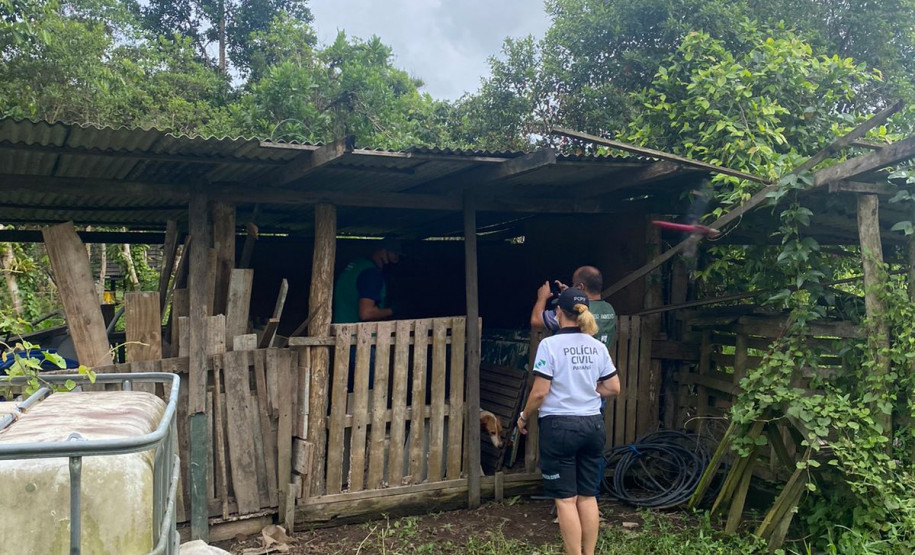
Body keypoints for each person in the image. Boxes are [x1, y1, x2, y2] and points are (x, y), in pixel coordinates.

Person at [518, 288, 621, 555]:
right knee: (587, 496)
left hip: (560, 427)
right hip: (592, 426)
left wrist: (523, 416)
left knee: (565, 500)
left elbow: (540, 392)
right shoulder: (597, 346)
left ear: (558, 313)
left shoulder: (550, 345)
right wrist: (587, 390)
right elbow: (613, 387)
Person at [531, 266, 616, 350]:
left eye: (573, 285)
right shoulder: (609, 309)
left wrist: (542, 298)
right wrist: (569, 295)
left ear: (580, 287)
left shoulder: (576, 309)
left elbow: (536, 321)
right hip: (598, 361)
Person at [332, 238, 402, 324]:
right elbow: (366, 314)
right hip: (357, 334)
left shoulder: (356, 266)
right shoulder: (371, 274)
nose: (397, 259)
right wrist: (393, 310)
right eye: (395, 255)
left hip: (341, 328)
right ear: (383, 252)